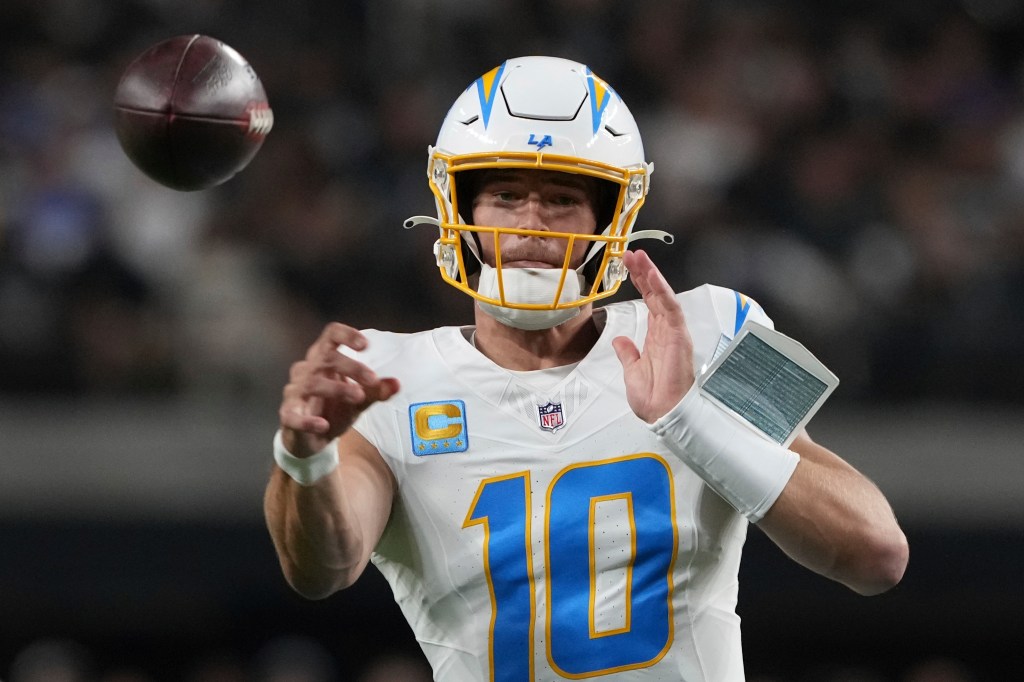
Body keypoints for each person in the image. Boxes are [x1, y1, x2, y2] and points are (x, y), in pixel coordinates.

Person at [264, 56, 909, 681]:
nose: (531, 225)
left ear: (613, 218)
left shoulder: (709, 329)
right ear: (459, 211)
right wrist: (306, 457)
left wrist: (695, 422)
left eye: (563, 199)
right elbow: (322, 569)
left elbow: (877, 553)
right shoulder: (384, 375)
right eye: (506, 195)